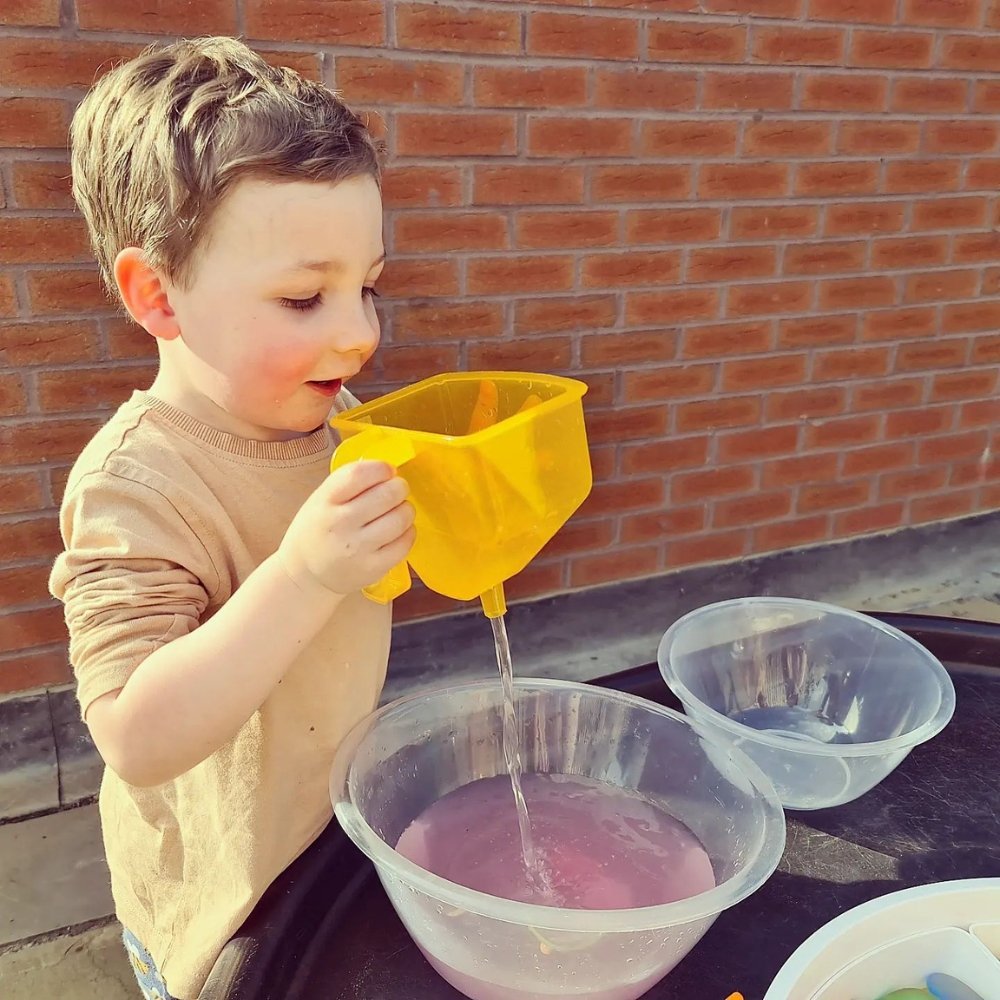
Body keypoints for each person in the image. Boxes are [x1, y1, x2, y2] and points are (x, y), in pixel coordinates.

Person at [48, 36, 415, 1000]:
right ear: (158, 296)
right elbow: (133, 734)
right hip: (216, 903)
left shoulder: (335, 418)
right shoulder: (140, 486)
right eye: (305, 296)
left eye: (367, 286)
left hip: (322, 839)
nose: (359, 333)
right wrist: (303, 573)